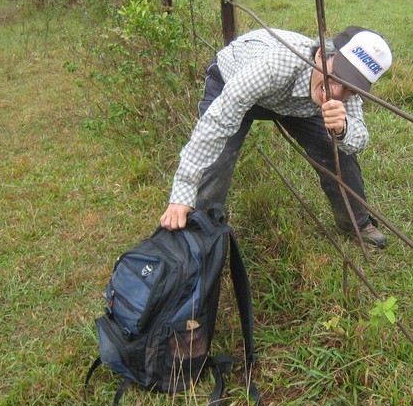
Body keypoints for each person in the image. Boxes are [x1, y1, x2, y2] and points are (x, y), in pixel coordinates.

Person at [160, 26, 393, 247]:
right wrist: (183, 190)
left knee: (338, 150)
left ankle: (356, 222)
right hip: (235, 83)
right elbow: (216, 124)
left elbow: (359, 138)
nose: (336, 92)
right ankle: (198, 234)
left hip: (296, 105)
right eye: (336, 77)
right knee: (217, 159)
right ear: (322, 54)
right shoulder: (276, 64)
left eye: (350, 88)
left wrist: (342, 128)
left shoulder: (346, 93)